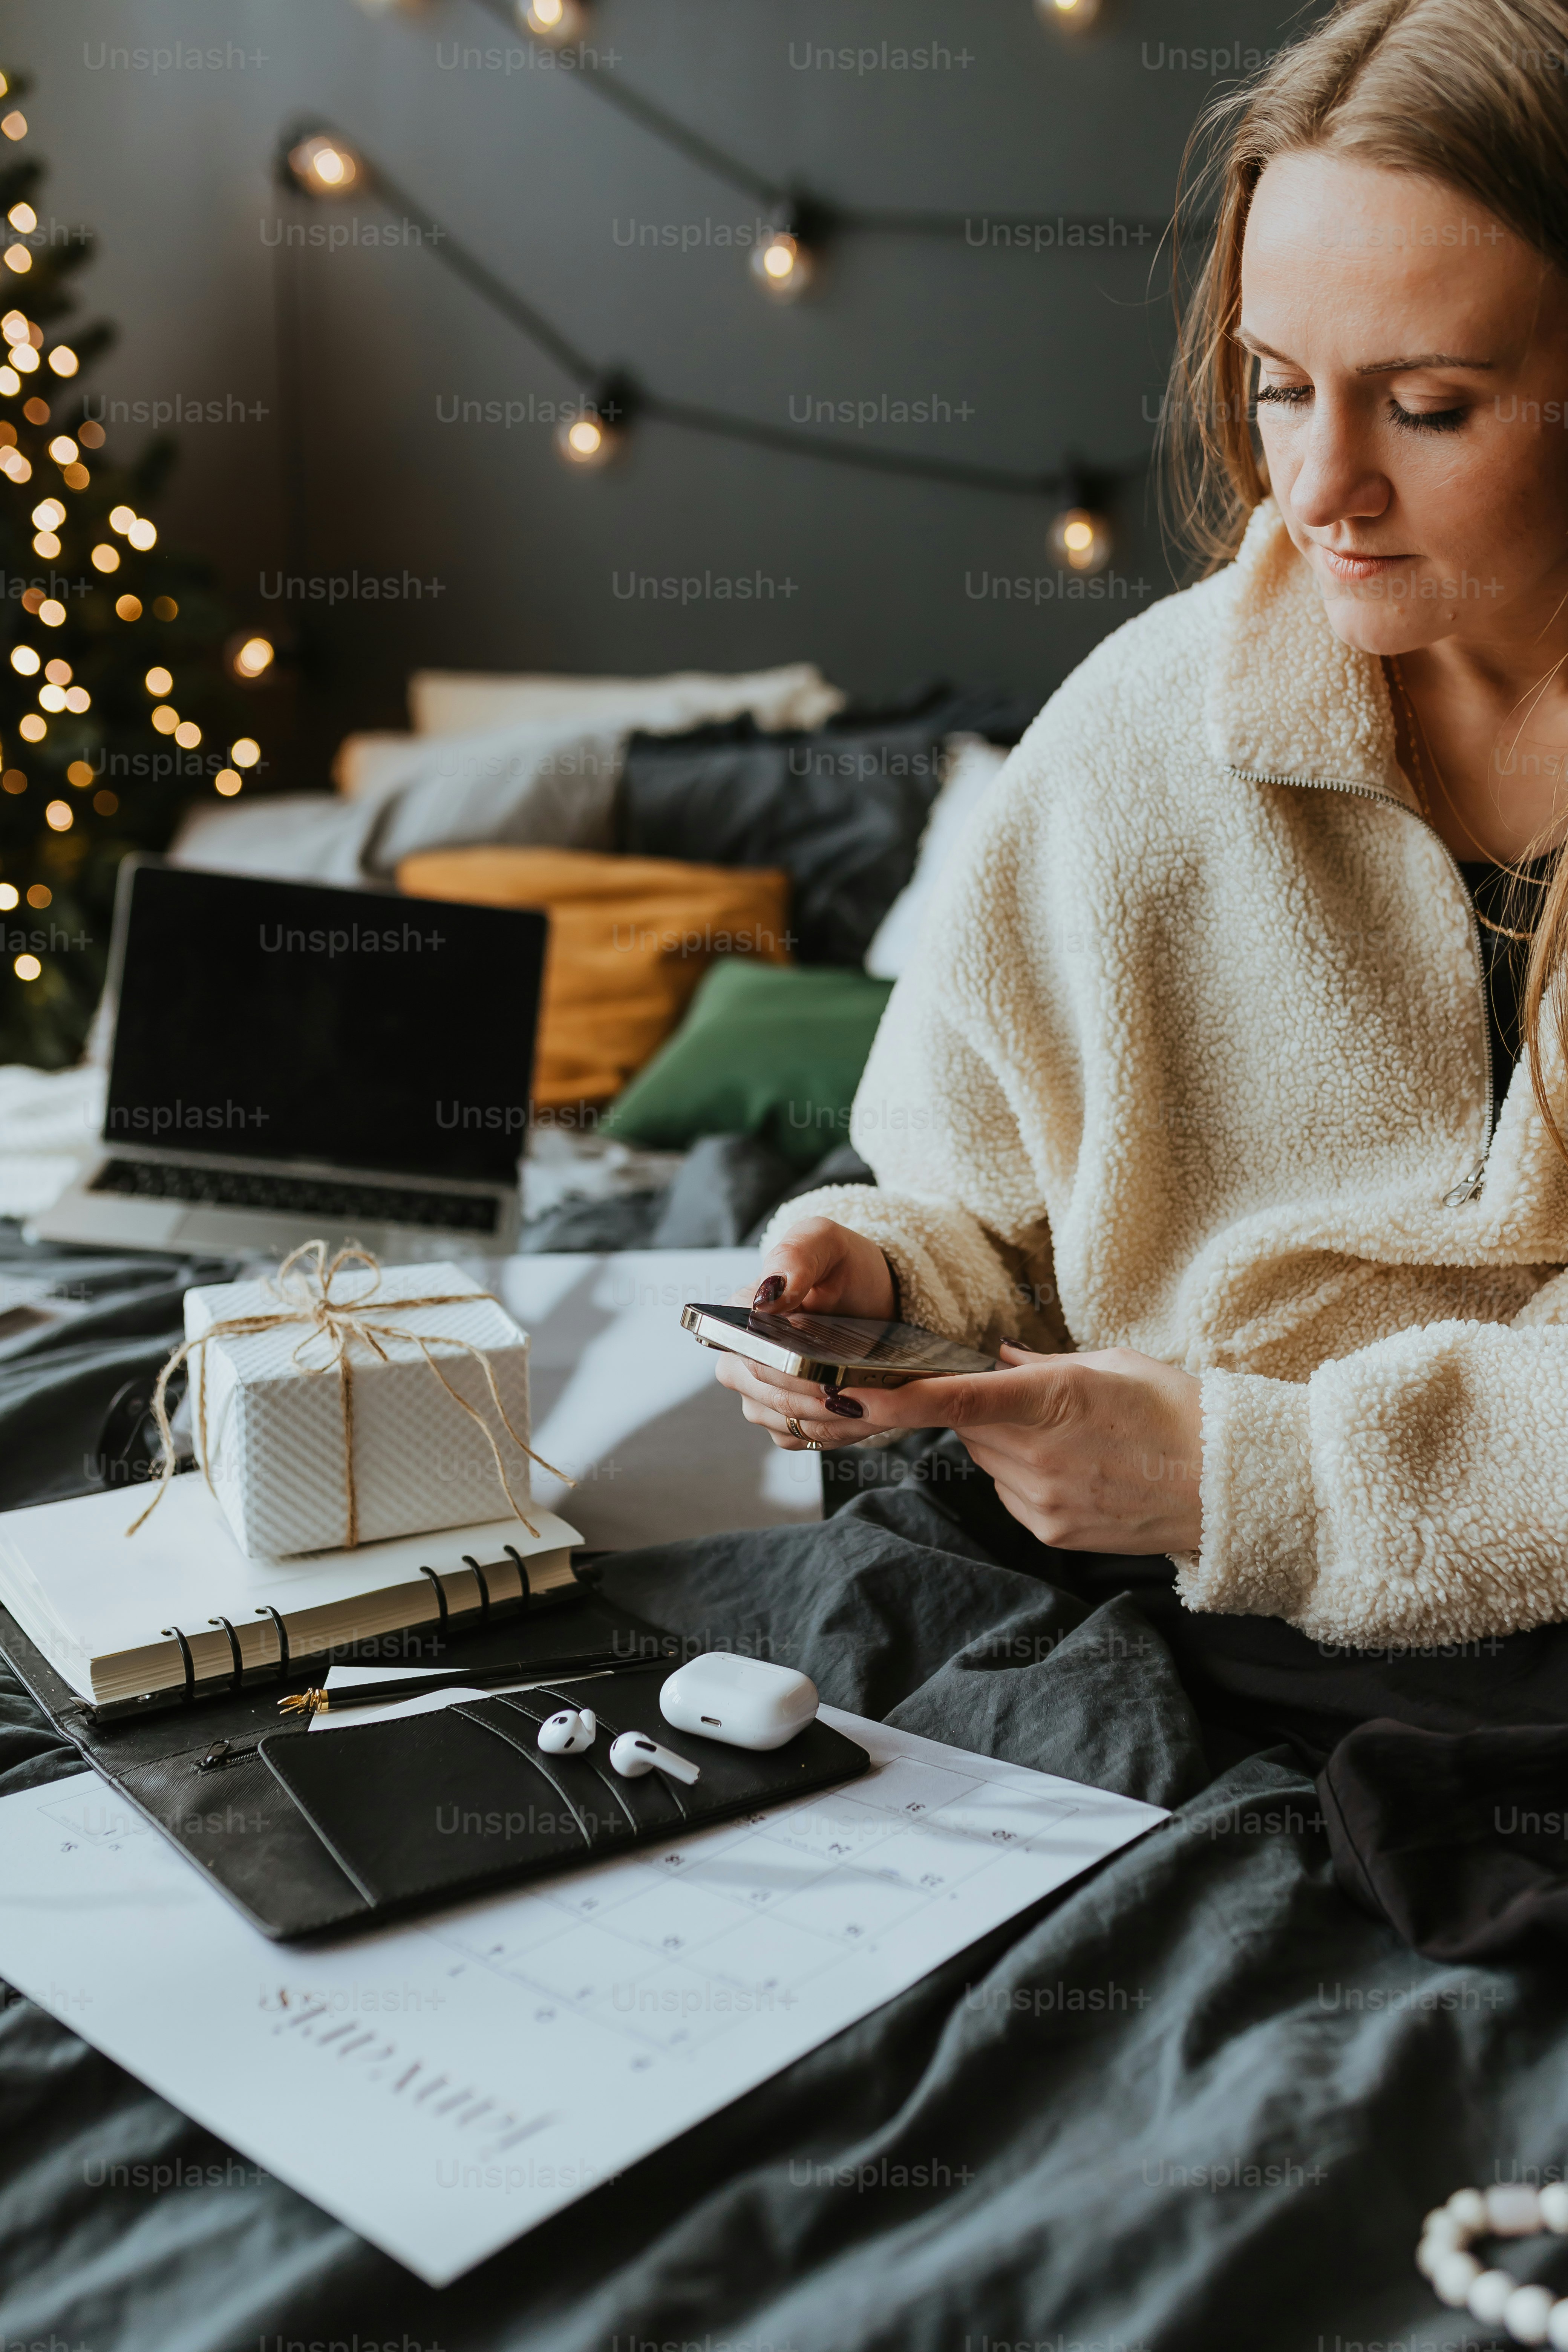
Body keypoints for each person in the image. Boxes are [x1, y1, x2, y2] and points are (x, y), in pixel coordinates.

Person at [714, 0, 1568, 1657]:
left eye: (1430, 404)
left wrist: (1241, 1479)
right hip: (1147, 1597)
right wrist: (886, 1288)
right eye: (1275, 386)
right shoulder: (1143, 725)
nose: (1318, 487)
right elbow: (992, 1217)